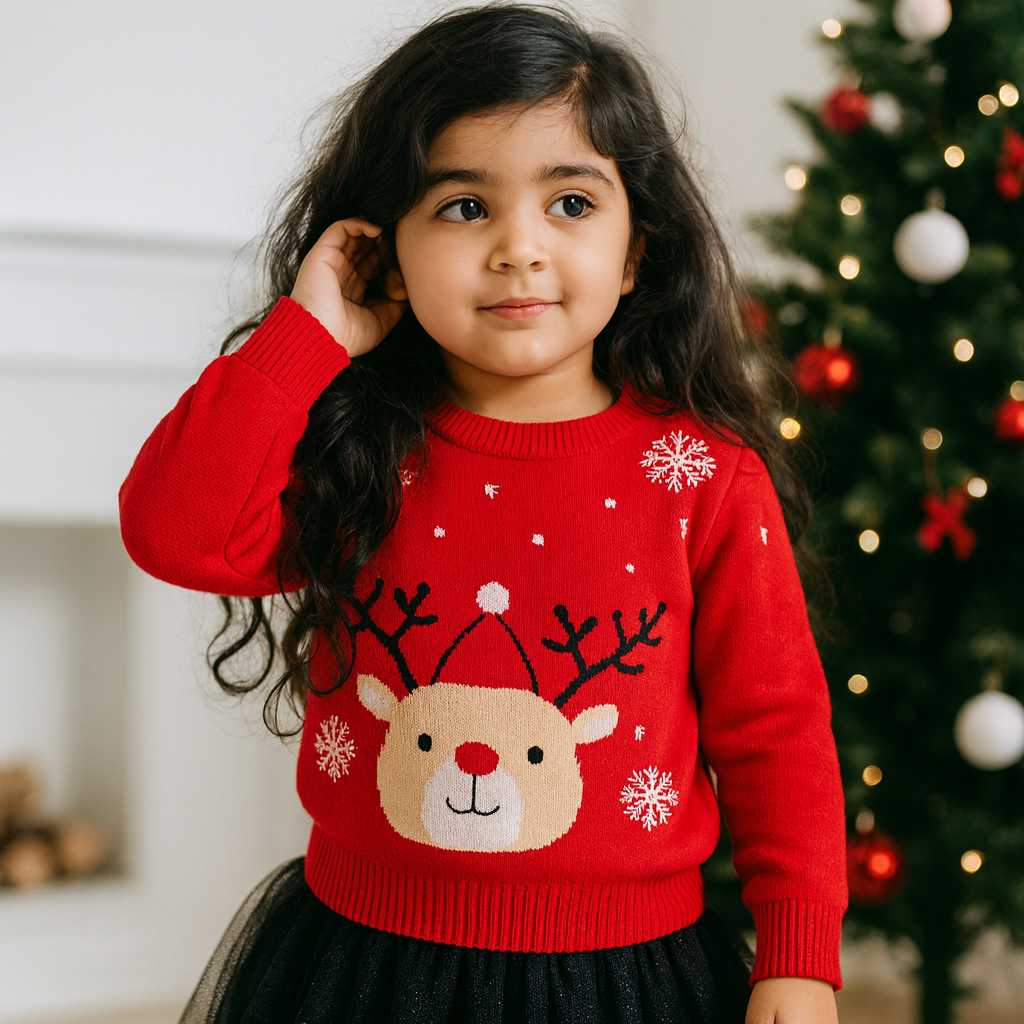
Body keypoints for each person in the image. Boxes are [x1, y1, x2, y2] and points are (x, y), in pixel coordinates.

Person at [119, 5, 847, 1022]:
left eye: (571, 203)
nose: (517, 248)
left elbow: (776, 729)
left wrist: (798, 955)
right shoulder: (360, 446)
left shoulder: (702, 476)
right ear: (386, 248)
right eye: (463, 206)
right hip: (362, 966)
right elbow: (173, 531)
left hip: (626, 979)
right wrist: (307, 334)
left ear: (637, 249)